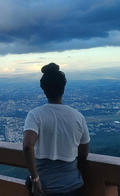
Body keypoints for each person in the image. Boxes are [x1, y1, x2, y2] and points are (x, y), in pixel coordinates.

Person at [23, 63, 90, 196]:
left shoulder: (35, 115)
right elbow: (83, 153)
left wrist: (35, 180)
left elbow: (27, 146)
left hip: (44, 188)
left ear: (44, 89)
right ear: (63, 88)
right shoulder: (78, 116)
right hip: (72, 186)